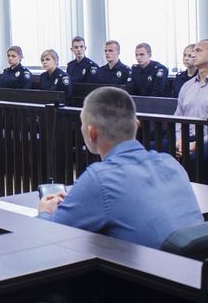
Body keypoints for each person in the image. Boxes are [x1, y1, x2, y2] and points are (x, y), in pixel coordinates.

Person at [38, 86, 202, 249]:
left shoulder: (99, 178)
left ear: (92, 133)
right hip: (192, 265)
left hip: (146, 266)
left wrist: (45, 211)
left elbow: (49, 236)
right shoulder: (171, 163)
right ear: (136, 125)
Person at [175, 39, 208, 162]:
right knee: (155, 149)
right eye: (193, 51)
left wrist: (195, 145)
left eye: (198, 51)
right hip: (186, 137)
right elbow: (178, 118)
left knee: (194, 159)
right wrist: (179, 140)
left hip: (205, 140)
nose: (193, 55)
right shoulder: (187, 86)